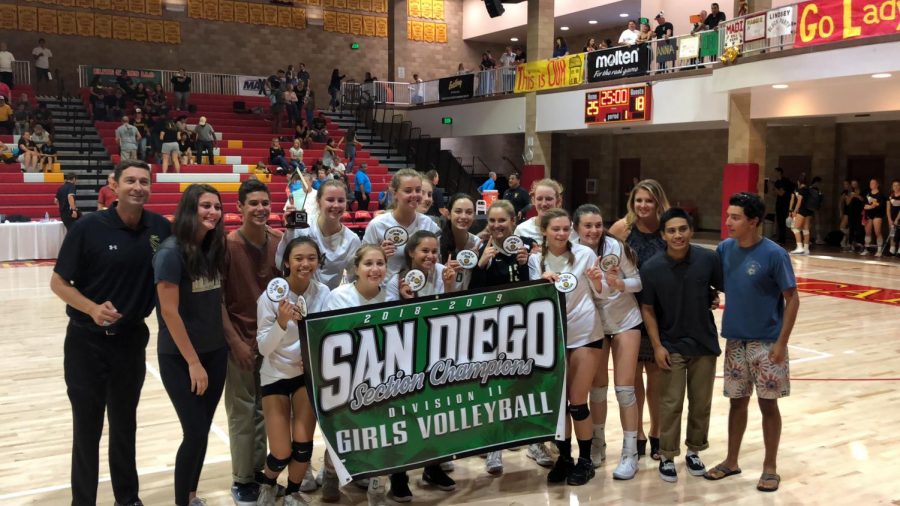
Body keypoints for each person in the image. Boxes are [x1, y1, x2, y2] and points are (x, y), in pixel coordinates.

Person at [50, 160, 171, 506]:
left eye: (144, 182)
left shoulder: (160, 228)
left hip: (131, 340)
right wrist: (91, 308)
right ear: (113, 185)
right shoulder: (88, 227)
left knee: (124, 425)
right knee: (87, 429)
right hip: (85, 342)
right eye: (130, 180)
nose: (138, 187)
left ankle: (127, 498)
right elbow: (58, 282)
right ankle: (83, 501)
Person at [706, 193, 799, 494]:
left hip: (768, 342)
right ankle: (732, 461)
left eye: (735, 217)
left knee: (767, 405)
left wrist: (781, 343)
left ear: (753, 221)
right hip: (735, 340)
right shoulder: (724, 249)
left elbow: (792, 299)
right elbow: (718, 285)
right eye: (728, 215)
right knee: (737, 403)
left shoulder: (774, 254)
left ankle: (770, 467)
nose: (728, 221)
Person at [153, 184, 228, 506]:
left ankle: (192, 494)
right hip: (181, 358)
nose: (212, 211)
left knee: (203, 428)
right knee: (195, 432)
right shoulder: (171, 251)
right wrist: (193, 362)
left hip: (215, 352)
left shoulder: (212, 247)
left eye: (216, 206)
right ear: (189, 209)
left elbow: (216, 301)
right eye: (205, 206)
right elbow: (169, 311)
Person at [640, 208, 722, 483]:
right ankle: (667, 455)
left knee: (701, 403)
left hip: (704, 343)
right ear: (663, 235)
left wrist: (712, 297)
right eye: (672, 231)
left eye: (682, 229)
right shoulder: (651, 268)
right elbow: (648, 309)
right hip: (671, 344)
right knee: (671, 402)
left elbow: (718, 290)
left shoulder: (708, 259)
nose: (678, 235)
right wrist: (657, 346)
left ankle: (694, 451)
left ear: (691, 231)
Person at [220, 179, 286, 504]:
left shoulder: (280, 242)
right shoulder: (228, 246)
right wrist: (234, 341)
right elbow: (218, 301)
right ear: (239, 208)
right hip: (241, 343)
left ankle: (260, 472)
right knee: (242, 412)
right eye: (253, 203)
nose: (260, 209)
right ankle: (242, 479)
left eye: (264, 203)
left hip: (274, 344)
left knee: (268, 409)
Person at [528, 208, 605, 485]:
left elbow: (602, 293)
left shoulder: (584, 254)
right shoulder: (536, 260)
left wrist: (597, 280)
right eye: (555, 229)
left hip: (585, 333)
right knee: (559, 405)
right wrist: (540, 283)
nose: (561, 234)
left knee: (577, 402)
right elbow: (531, 300)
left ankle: (585, 461)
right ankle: (564, 457)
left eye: (565, 229)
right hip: (553, 337)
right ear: (545, 231)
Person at [255, 237, 330, 506]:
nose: (305, 264)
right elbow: (264, 347)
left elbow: (327, 335)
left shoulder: (323, 293)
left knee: (302, 446)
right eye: (298, 258)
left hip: (304, 376)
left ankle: (293, 492)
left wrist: (315, 357)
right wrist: (281, 322)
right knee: (281, 452)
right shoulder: (270, 297)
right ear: (287, 262)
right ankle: (268, 483)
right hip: (275, 374)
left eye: (311, 258)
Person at [571, 205, 643, 480]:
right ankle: (598, 444)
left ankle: (629, 453)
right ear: (577, 227)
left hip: (625, 320)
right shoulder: (572, 251)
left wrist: (621, 284)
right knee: (597, 390)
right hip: (593, 326)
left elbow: (638, 281)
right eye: (588, 225)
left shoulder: (615, 247)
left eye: (598, 224)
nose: (594, 230)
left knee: (625, 390)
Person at [609, 179, 671, 461]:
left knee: (657, 377)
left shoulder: (669, 227)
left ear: (658, 201)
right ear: (632, 202)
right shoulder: (622, 229)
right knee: (633, 378)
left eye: (648, 200)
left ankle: (657, 432)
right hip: (628, 311)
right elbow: (605, 262)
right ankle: (640, 434)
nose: (643, 205)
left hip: (661, 312)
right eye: (638, 200)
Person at [323, 245, 390, 504]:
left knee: (384, 433)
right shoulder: (338, 297)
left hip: (384, 378)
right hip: (346, 377)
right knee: (343, 433)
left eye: (380, 263)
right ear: (356, 269)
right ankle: (330, 474)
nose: (375, 269)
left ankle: (377, 489)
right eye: (369, 264)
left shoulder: (392, 295)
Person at [278, 179, 362, 291]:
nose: (336, 205)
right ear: (318, 201)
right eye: (330, 200)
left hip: (329, 301)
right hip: (297, 297)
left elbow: (355, 278)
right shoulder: (302, 229)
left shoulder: (352, 240)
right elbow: (279, 263)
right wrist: (289, 231)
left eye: (341, 200)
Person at [362, 169, 441, 279]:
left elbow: (436, 261)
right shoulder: (377, 225)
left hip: (418, 288)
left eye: (418, 190)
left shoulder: (429, 224)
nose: (414, 195)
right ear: (395, 193)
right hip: (385, 290)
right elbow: (362, 262)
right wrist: (378, 254)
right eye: (408, 191)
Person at [439, 194, 480, 292]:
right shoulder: (436, 243)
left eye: (469, 212)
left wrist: (478, 266)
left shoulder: (477, 243)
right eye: (458, 211)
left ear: (474, 216)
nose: (463, 216)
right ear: (448, 214)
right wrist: (441, 271)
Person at [515, 178, 564, 243]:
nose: (544, 204)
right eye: (539, 199)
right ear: (533, 201)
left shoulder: (569, 229)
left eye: (549, 199)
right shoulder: (522, 230)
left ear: (558, 201)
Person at [862, 178, 887, 256]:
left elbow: (880, 206)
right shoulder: (868, 194)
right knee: (867, 232)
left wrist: (873, 206)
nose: (871, 184)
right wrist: (871, 206)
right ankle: (866, 249)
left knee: (877, 232)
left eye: (873, 183)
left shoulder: (881, 195)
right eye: (870, 183)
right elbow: (865, 205)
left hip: (877, 215)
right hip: (869, 215)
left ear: (877, 184)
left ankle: (879, 250)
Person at [788, 174, 811, 255]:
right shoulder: (808, 189)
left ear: (798, 182)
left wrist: (794, 211)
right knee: (806, 230)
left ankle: (799, 247)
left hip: (801, 211)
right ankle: (806, 249)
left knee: (795, 228)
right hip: (808, 212)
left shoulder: (801, 190)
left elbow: (799, 201)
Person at [772, 167, 794, 245]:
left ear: (779, 172)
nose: (774, 173)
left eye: (775, 172)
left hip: (785, 204)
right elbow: (775, 194)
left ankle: (783, 239)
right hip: (779, 203)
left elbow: (781, 193)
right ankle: (781, 239)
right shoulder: (777, 182)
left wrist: (775, 188)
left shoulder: (785, 181)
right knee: (779, 221)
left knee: (784, 221)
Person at [888, 180, 900, 256]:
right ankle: (892, 250)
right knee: (892, 233)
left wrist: (897, 219)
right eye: (894, 185)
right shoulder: (890, 196)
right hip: (892, 217)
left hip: (899, 217)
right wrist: (890, 219)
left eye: (897, 185)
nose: (895, 187)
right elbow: (888, 208)